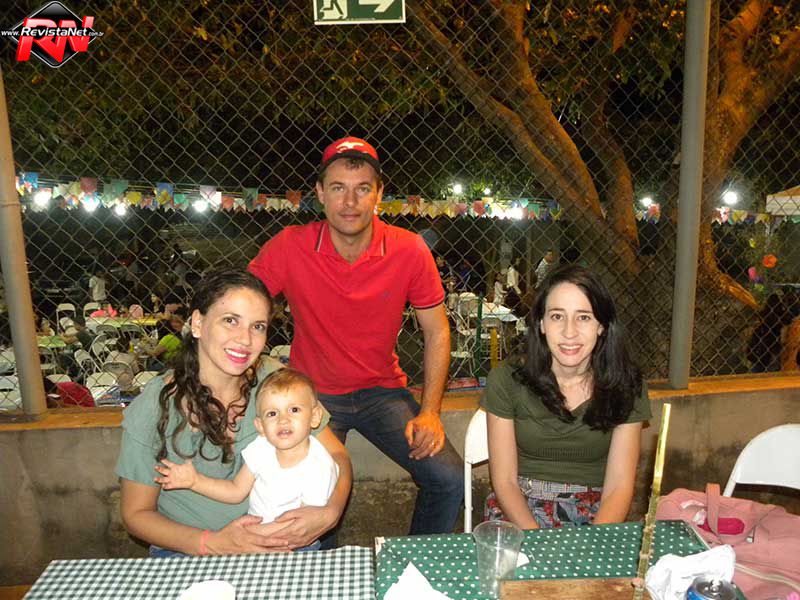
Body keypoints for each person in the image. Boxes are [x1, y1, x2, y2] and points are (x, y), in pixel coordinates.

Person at [249, 136, 463, 536]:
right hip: (313, 394)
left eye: (363, 189)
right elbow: (241, 304)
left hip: (382, 392)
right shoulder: (291, 245)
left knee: (448, 478)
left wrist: (430, 412)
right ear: (320, 193)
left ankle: (415, 566)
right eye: (338, 188)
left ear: (379, 194)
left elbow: (437, 331)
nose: (350, 202)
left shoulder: (409, 249)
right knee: (312, 494)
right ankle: (319, 568)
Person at [115, 267, 352, 556]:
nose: (245, 339)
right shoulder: (156, 405)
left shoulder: (274, 382)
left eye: (258, 326)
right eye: (230, 320)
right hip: (189, 551)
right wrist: (212, 543)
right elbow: (136, 514)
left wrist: (331, 511)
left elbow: (337, 455)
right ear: (198, 323)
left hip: (281, 545)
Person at [482, 265, 651, 529]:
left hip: (596, 514)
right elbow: (505, 482)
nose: (569, 332)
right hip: (519, 510)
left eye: (583, 317)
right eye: (557, 316)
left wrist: (593, 542)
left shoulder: (627, 385)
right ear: (541, 323)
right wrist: (537, 541)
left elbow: (618, 487)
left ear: (601, 326)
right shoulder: (506, 380)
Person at [154, 368, 338, 551]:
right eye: (272, 414)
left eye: (294, 410)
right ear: (261, 426)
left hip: (295, 544)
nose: (283, 420)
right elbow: (236, 491)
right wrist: (195, 481)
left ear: (315, 417)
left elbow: (302, 524)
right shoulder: (262, 448)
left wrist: (251, 535)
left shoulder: (319, 466)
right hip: (255, 539)